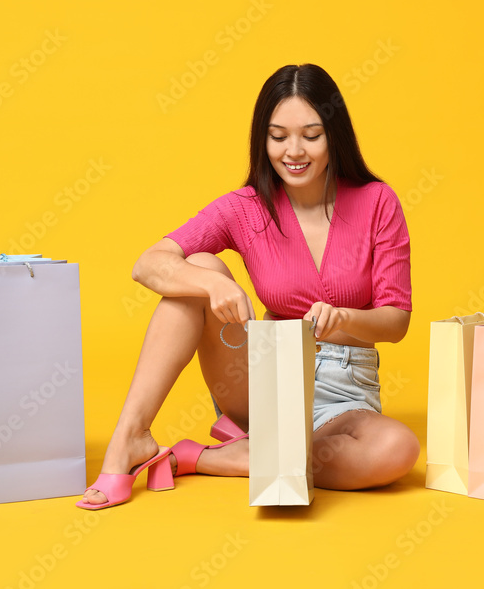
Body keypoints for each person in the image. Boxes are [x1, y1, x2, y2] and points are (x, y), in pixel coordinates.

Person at [77, 63, 419, 510]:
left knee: (397, 450)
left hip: (344, 393)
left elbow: (396, 322)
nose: (293, 151)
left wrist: (345, 318)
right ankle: (130, 440)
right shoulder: (246, 208)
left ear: (334, 135)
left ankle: (219, 457)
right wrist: (209, 283)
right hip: (263, 380)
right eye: (278, 137)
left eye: (311, 135)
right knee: (198, 266)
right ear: (263, 139)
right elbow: (148, 264)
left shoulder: (377, 202)